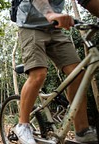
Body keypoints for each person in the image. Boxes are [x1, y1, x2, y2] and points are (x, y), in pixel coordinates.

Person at [13, 0, 99, 144]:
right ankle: (22, 125)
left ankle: (82, 131)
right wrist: (50, 13)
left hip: (54, 27)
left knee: (77, 73)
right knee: (39, 74)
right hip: (30, 24)